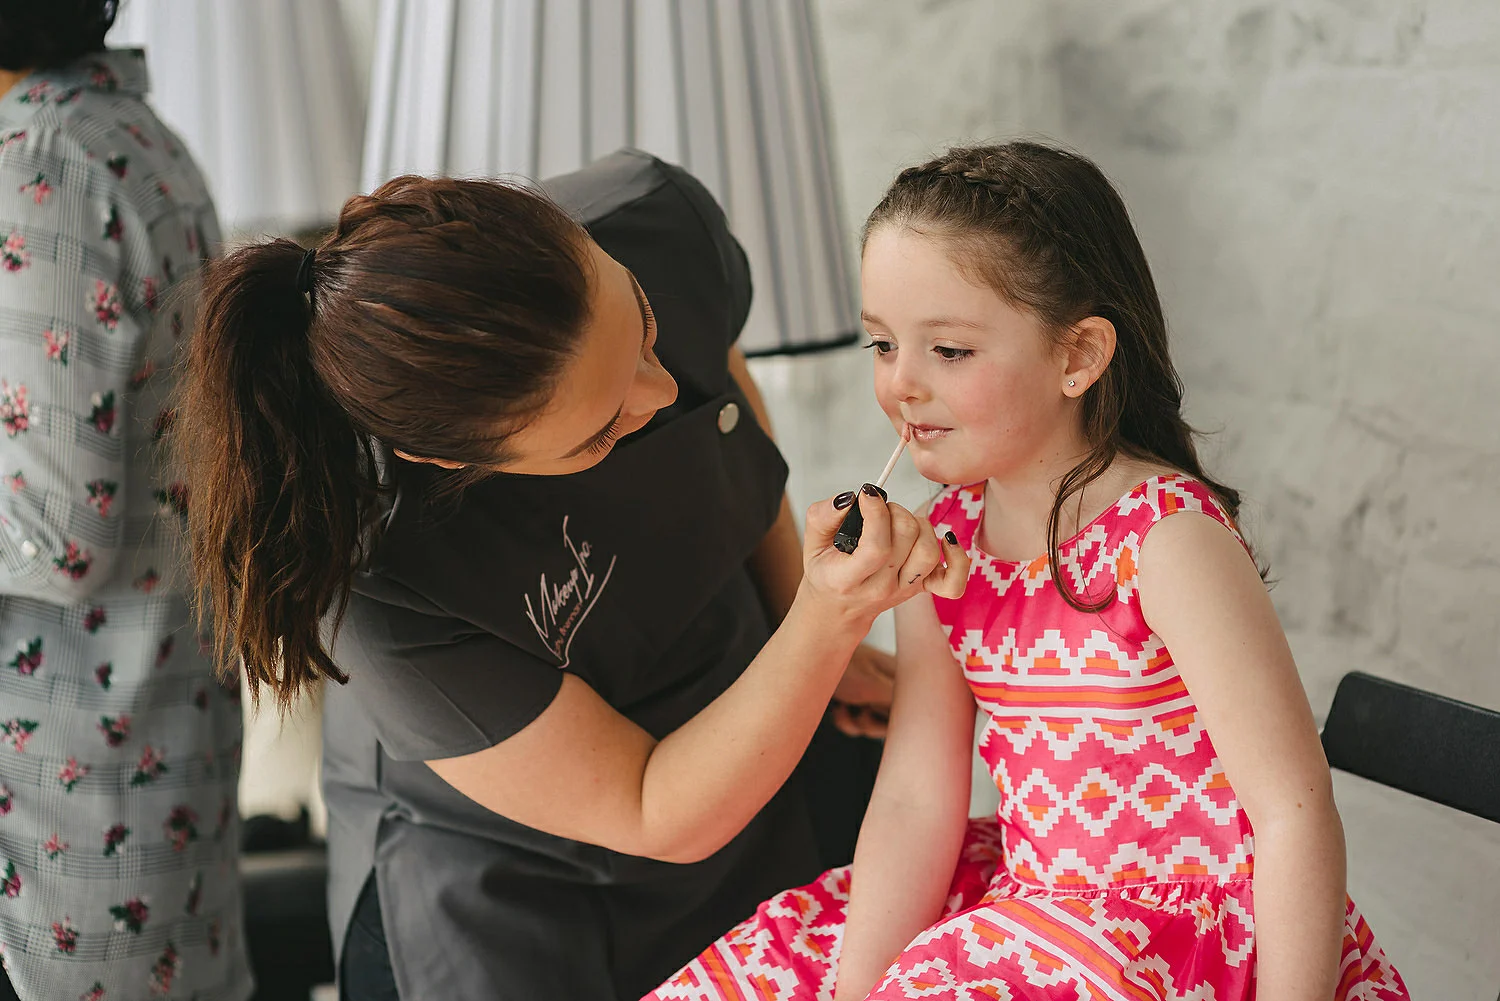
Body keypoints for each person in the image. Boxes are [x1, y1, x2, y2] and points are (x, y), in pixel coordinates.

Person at [176, 148, 969, 1000]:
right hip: (516, 896)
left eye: (645, 329)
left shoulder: (654, 217)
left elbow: (722, 409)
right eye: (599, 431)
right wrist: (823, 624)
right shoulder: (378, 574)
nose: (662, 393)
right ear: (447, 458)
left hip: (747, 757)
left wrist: (794, 624)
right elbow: (649, 807)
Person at [647, 142, 1412, 1001]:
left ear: (1078, 355)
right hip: (1028, 906)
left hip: (1182, 939)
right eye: (883, 343)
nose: (902, 383)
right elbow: (915, 799)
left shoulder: (1165, 540)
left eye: (950, 350)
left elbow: (1293, 811)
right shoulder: (943, 537)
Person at [0, 5, 252, 1001]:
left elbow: (54, 533)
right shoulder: (129, 136)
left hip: (66, 833)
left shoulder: (40, 167)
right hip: (143, 772)